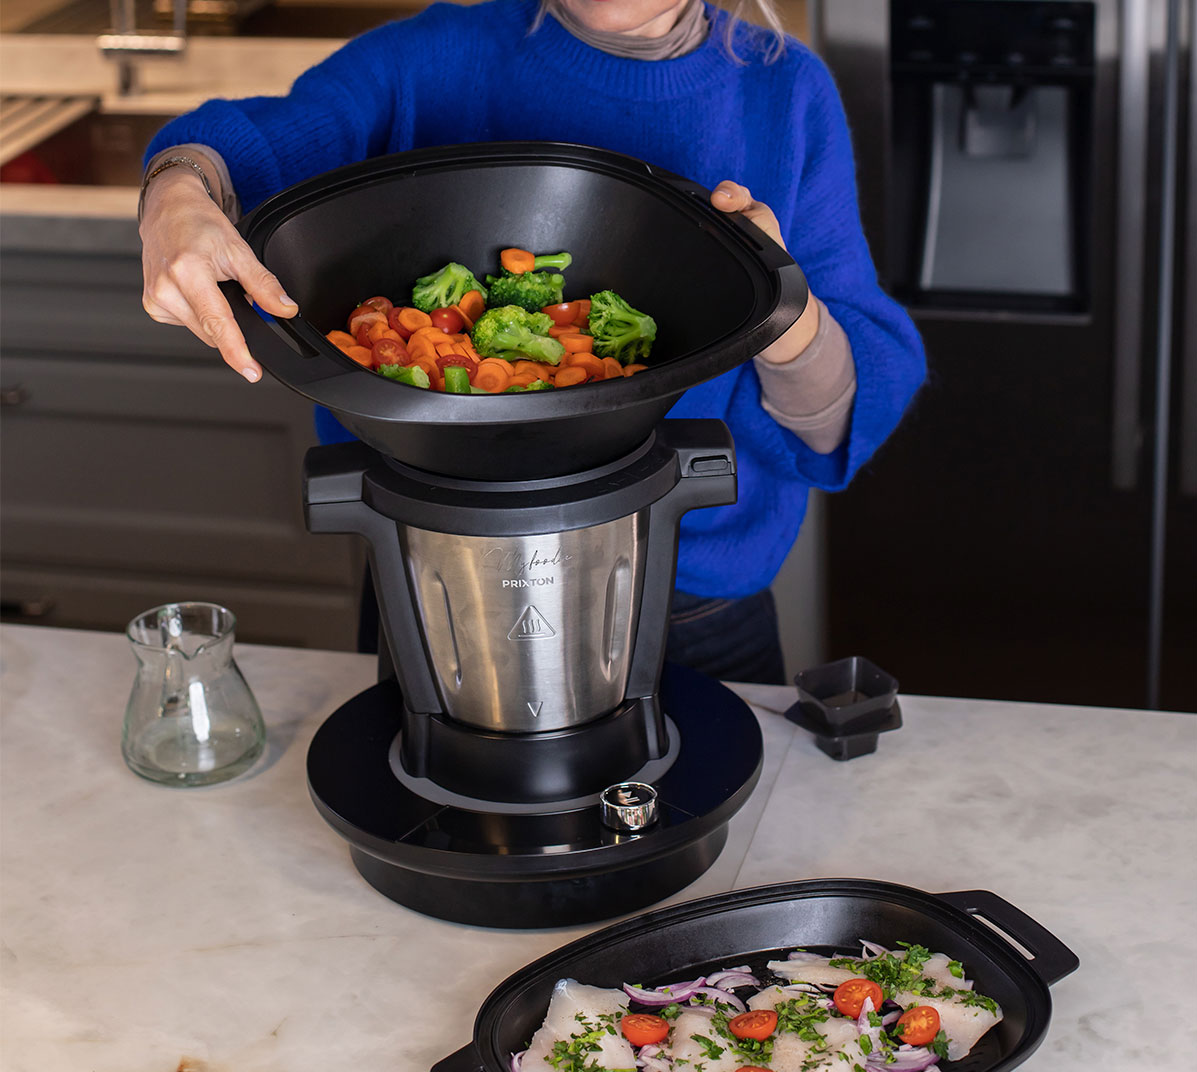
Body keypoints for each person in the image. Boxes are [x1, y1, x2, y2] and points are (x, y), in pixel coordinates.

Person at [137, 0, 926, 685]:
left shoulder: (786, 92)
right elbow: (246, 145)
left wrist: (778, 301)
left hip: (691, 608)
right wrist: (176, 190)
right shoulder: (436, 56)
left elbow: (832, 426)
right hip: (437, 581)